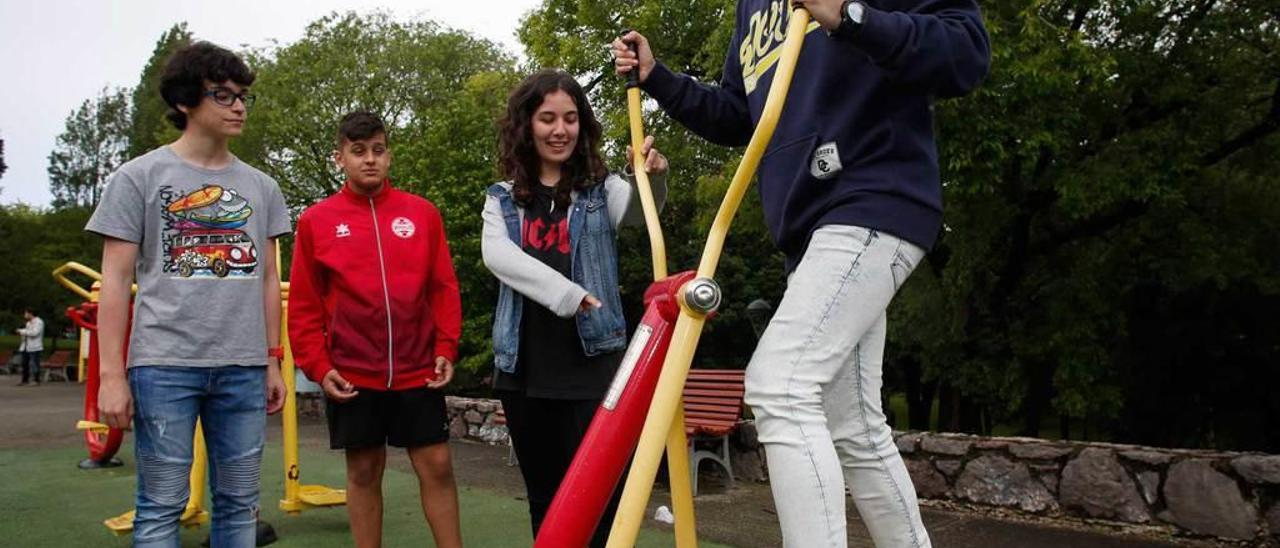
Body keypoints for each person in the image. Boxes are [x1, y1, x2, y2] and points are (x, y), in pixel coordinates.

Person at [612, 1, 990, 546]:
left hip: (874, 193)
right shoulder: (752, 8)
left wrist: (848, 15)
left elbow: (965, 54)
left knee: (781, 385)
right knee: (854, 426)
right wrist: (659, 78)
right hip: (810, 229)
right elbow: (739, 115)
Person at [86, 41, 290, 548]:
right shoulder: (138, 177)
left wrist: (269, 360)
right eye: (223, 95)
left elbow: (267, 277)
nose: (239, 105)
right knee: (159, 508)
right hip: (163, 364)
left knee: (240, 507)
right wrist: (111, 376)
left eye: (243, 95)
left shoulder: (261, 187)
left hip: (243, 367)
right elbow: (114, 280)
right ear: (184, 102)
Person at [481, 69, 669, 547]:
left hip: (594, 365)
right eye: (547, 119)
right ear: (528, 125)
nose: (559, 130)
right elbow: (499, 257)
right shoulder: (502, 199)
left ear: (582, 125)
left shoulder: (600, 190)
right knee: (545, 498)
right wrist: (570, 293)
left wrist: (651, 180)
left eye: (569, 118)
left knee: (602, 496)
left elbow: (641, 212)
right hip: (526, 369)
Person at [288, 111, 463, 548]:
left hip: (417, 367)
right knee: (364, 470)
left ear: (389, 155)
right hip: (353, 373)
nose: (370, 160)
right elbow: (305, 306)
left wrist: (446, 345)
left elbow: (443, 287)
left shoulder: (421, 214)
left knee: (437, 464)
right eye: (358, 151)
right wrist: (317, 364)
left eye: (378, 150)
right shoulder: (316, 221)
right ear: (340, 157)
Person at [15, 308, 44, 386]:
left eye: (26, 313)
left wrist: (22, 331)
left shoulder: (38, 322)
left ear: (30, 314)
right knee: (24, 364)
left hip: (35, 347)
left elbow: (35, 333)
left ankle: (36, 380)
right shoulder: (28, 323)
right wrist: (21, 332)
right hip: (25, 346)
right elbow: (27, 332)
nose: (25, 315)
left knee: (34, 364)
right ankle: (25, 380)